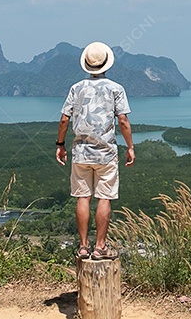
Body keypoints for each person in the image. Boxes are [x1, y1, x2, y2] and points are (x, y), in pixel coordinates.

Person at [56, 41, 135, 260]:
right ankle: (100, 247)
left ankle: (83, 246)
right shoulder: (116, 89)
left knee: (83, 197)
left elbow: (64, 119)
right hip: (106, 154)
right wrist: (130, 147)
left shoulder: (76, 88)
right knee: (104, 198)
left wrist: (60, 145)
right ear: (106, 64)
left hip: (80, 153)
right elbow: (123, 121)